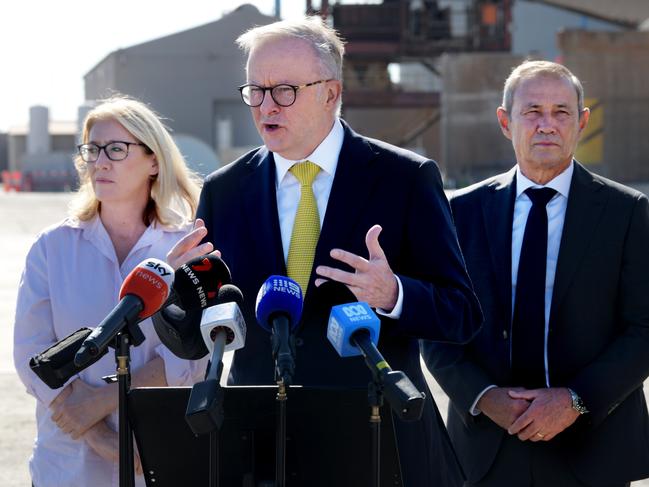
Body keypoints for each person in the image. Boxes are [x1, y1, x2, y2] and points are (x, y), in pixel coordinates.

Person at [166, 16, 482, 487]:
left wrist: (394, 293)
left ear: (330, 93)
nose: (265, 105)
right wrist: (179, 293)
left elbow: (461, 315)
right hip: (261, 442)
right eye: (255, 90)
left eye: (284, 91)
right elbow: (196, 339)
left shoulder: (405, 179)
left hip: (375, 436)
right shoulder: (224, 190)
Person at [423, 60, 649, 487]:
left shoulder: (626, 212)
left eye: (561, 112)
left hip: (591, 446)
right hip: (486, 447)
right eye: (533, 112)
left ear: (581, 122)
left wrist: (575, 400)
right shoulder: (460, 213)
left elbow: (644, 327)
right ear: (506, 122)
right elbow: (437, 326)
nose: (547, 125)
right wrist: (487, 399)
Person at [13, 96, 207, 487]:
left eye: (117, 149)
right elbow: (30, 356)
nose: (100, 161)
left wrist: (102, 400)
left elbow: (192, 359)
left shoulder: (187, 246)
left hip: (159, 456)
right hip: (68, 468)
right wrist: (101, 437)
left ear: (154, 161)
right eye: (93, 149)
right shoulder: (52, 247)